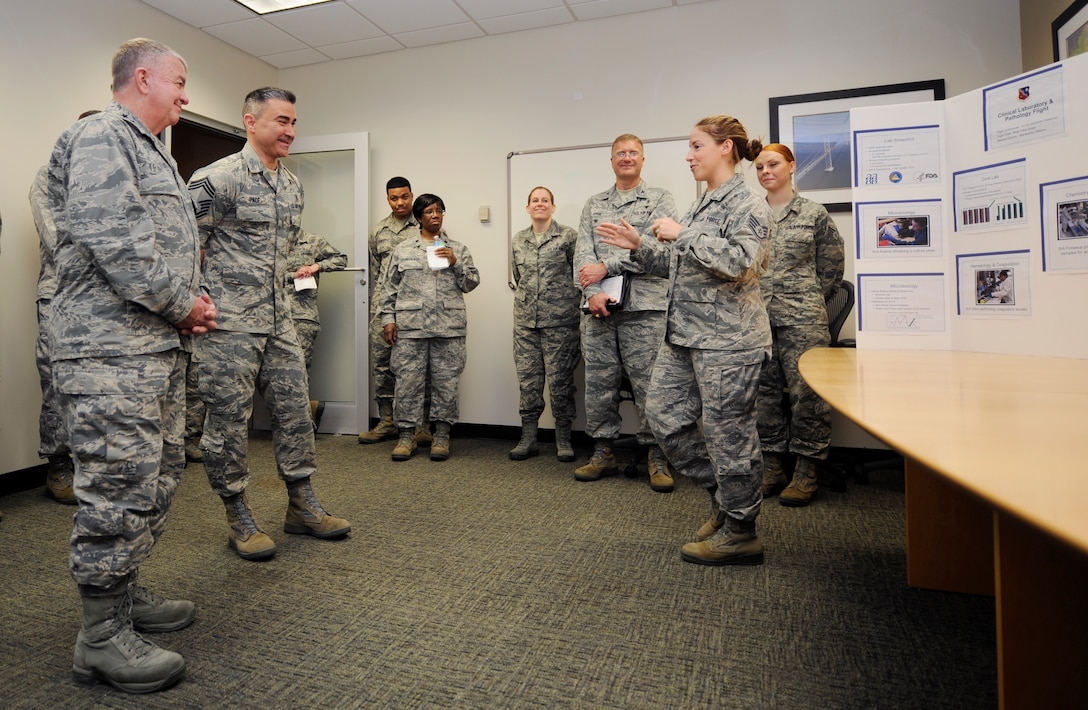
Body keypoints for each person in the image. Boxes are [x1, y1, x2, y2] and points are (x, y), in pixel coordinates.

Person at [47, 38, 218, 693]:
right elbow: (119, 239)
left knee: (155, 475)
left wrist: (188, 304)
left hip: (150, 345)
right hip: (108, 350)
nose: (185, 94)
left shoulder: (150, 148)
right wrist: (183, 305)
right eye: (178, 81)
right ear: (142, 77)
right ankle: (99, 637)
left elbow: (165, 246)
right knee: (117, 485)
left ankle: (124, 594)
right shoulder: (100, 137)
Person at [598, 114, 773, 565]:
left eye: (696, 146)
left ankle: (741, 530)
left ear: (725, 148)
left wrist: (684, 234)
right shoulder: (702, 203)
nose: (688, 155)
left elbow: (743, 263)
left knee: (729, 436)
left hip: (729, 341)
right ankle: (724, 498)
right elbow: (679, 266)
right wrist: (639, 245)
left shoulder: (747, 204)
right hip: (685, 336)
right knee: (663, 418)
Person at [188, 87, 350, 562]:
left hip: (279, 319)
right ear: (250, 122)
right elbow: (183, 245)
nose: (291, 131)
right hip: (229, 325)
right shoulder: (217, 179)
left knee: (296, 412)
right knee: (228, 423)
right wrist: (195, 303)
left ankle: (301, 505)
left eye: (294, 122)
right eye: (281, 121)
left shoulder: (292, 185)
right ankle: (237, 513)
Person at [573, 134, 678, 492]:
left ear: (643, 159)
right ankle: (603, 452)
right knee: (599, 384)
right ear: (612, 159)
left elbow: (656, 251)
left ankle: (657, 456)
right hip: (599, 309)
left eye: (633, 153)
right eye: (621, 153)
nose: (627, 157)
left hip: (644, 310)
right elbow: (582, 255)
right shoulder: (593, 203)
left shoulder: (660, 199)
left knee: (650, 385)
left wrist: (607, 266)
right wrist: (591, 292)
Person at [752, 143, 844, 507]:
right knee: (763, 395)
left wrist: (804, 298)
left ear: (791, 166)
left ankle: (807, 470)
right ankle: (773, 466)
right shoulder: (751, 214)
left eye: (772, 164)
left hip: (802, 319)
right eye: (759, 167)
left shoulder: (813, 213)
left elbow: (832, 267)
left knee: (809, 395)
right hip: (757, 317)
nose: (765, 172)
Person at [28, 110, 100, 505]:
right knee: (58, 382)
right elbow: (59, 240)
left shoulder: (118, 183)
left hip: (110, 301)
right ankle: (59, 464)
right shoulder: (49, 178)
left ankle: (96, 464)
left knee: (102, 384)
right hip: (62, 296)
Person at [380, 194, 480, 462]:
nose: (435, 216)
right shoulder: (402, 250)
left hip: (449, 329)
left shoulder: (458, 248)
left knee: (446, 382)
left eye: (439, 211)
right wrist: (388, 319)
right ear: (419, 217)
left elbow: (471, 283)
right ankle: (406, 436)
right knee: (407, 383)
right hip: (411, 329)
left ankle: (442, 436)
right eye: (429, 212)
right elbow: (388, 289)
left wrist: (456, 263)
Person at [509, 186, 581, 462]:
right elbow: (518, 275)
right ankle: (529, 438)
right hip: (526, 325)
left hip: (561, 324)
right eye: (535, 200)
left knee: (561, 383)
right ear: (527, 208)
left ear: (553, 206)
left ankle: (563, 438)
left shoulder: (568, 237)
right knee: (528, 383)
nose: (540, 204)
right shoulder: (518, 240)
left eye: (545, 200)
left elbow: (578, 276)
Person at [359, 177, 430, 446]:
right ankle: (387, 421)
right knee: (382, 365)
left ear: (411, 196)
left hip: (416, 308)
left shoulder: (425, 226)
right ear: (387, 199)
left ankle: (422, 425)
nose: (399, 202)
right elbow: (378, 273)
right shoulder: (378, 232)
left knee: (420, 367)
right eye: (393, 198)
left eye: (404, 197)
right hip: (384, 307)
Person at [285, 229, 348, 431]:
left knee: (299, 371)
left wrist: (316, 267)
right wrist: (290, 275)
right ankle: (290, 419)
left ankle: (300, 424)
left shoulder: (312, 241)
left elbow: (341, 259)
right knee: (272, 372)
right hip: (270, 315)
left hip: (302, 316)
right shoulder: (268, 240)